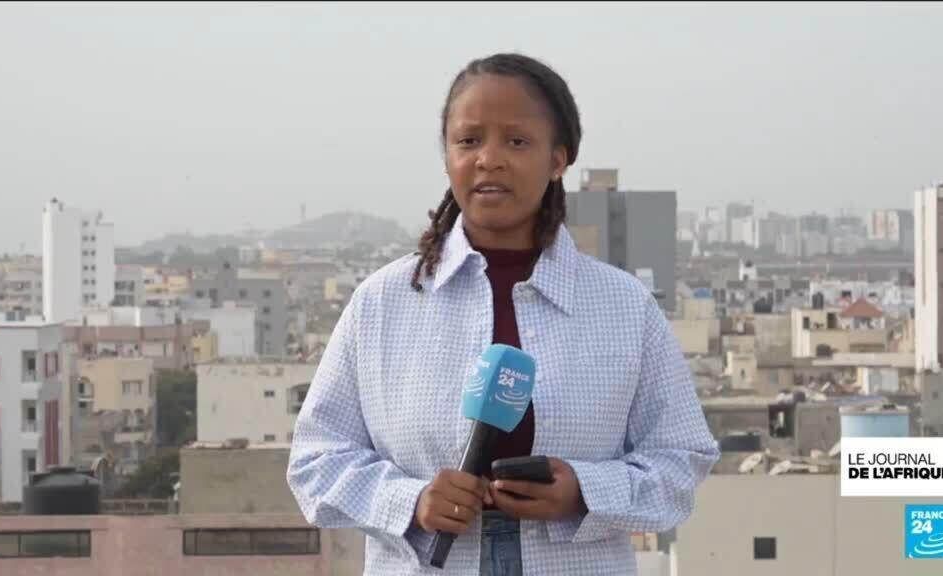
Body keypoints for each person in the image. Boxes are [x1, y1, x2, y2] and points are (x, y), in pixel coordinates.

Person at [287, 52, 720, 576]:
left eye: (516, 141)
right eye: (468, 141)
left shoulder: (625, 307)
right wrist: (411, 501)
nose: (489, 159)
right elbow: (315, 462)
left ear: (558, 160)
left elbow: (681, 461)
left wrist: (584, 491)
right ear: (447, 157)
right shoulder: (384, 302)